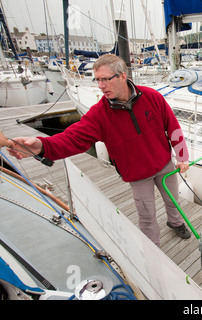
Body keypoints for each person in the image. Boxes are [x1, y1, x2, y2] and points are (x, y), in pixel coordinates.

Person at [7, 54, 191, 246]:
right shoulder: (99, 115)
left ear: (122, 76)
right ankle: (153, 250)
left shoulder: (152, 97)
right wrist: (42, 145)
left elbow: (173, 126)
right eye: (97, 80)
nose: (100, 86)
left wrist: (182, 156)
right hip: (137, 175)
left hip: (164, 164)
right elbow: (73, 138)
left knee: (173, 201)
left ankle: (175, 222)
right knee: (147, 216)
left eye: (105, 79)